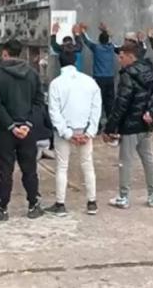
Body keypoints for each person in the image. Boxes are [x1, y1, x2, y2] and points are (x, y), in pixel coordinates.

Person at [0, 39, 45, 221]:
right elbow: (39, 102)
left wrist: (11, 125)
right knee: (30, 169)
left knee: (4, 170)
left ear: (5, 53)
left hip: (5, 130)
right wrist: (27, 124)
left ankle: (1, 207)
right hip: (28, 130)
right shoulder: (33, 74)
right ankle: (34, 204)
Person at [104, 43, 153, 209]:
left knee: (126, 161)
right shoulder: (150, 72)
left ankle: (123, 197)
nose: (119, 60)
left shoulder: (127, 75)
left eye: (121, 57)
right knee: (148, 159)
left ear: (131, 56)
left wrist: (110, 127)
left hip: (130, 125)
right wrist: (151, 113)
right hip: (146, 124)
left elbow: (121, 103)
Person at [44, 51, 102, 217]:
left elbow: (54, 112)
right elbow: (96, 109)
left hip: (64, 131)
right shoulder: (90, 82)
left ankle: (60, 204)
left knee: (62, 167)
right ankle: (92, 202)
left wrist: (67, 133)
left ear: (59, 62)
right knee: (87, 165)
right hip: (84, 130)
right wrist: (90, 131)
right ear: (76, 61)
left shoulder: (56, 84)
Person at [79, 24, 117, 121]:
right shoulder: (111, 47)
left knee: (98, 101)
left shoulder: (96, 48)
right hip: (110, 78)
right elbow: (112, 39)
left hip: (99, 78)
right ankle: (110, 123)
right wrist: (106, 30)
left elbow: (87, 41)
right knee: (110, 102)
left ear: (99, 40)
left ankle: (97, 124)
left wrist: (83, 31)